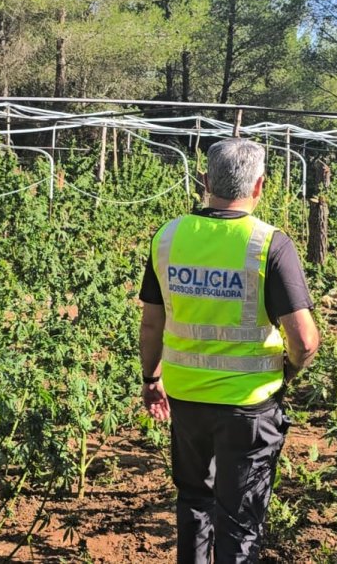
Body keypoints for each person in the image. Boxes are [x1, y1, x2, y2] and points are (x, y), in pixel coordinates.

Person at [137, 138, 321, 564]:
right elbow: (306, 340)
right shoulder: (268, 244)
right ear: (259, 187)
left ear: (205, 181)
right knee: (239, 521)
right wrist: (288, 371)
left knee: (194, 502)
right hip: (248, 407)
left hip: (186, 399)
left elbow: (151, 322)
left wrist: (151, 379)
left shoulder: (168, 237)